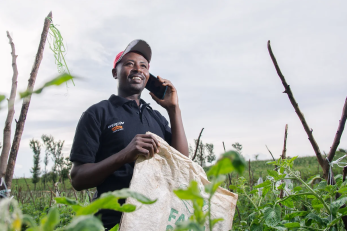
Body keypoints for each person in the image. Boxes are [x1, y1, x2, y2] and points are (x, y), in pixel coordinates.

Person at [69, 39, 189, 229]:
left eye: (144, 66)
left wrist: (174, 109)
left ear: (148, 76)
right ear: (114, 73)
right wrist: (124, 155)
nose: (138, 69)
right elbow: (77, 178)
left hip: (155, 222)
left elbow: (182, 161)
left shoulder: (156, 117)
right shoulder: (98, 113)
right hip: (111, 223)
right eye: (129, 64)